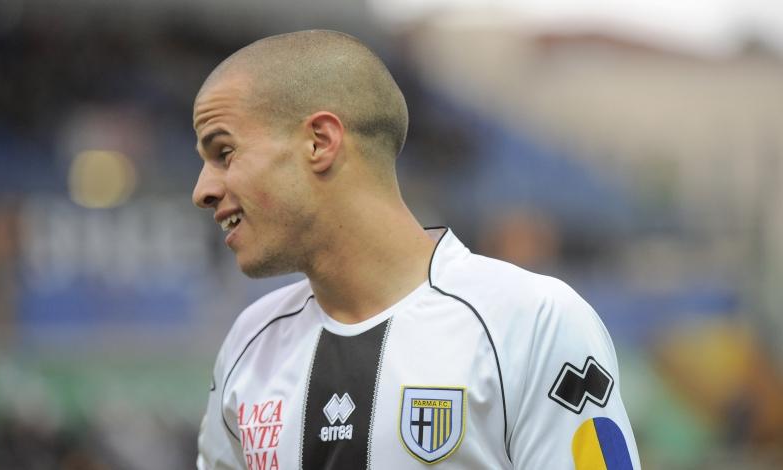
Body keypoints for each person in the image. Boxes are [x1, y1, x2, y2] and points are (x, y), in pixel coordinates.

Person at [192, 30, 640, 470]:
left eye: (224, 152)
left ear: (320, 142)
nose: (202, 191)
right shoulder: (250, 343)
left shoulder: (530, 321)